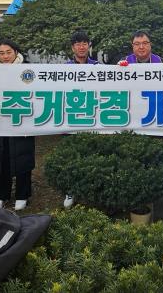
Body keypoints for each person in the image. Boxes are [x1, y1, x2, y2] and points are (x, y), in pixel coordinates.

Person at [0, 39, 35, 211]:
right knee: (0, 156)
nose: (5, 56)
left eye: (9, 52)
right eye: (1, 53)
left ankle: (22, 194)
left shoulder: (29, 69)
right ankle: (0, 195)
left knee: (23, 155)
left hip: (22, 118)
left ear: (16, 52)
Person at [62, 30, 98, 209]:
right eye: (78, 44)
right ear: (72, 48)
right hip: (72, 117)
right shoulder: (64, 68)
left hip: (92, 117)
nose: (81, 47)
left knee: (92, 154)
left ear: (89, 46)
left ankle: (91, 189)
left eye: (84, 43)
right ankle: (71, 190)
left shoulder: (98, 66)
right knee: (71, 156)